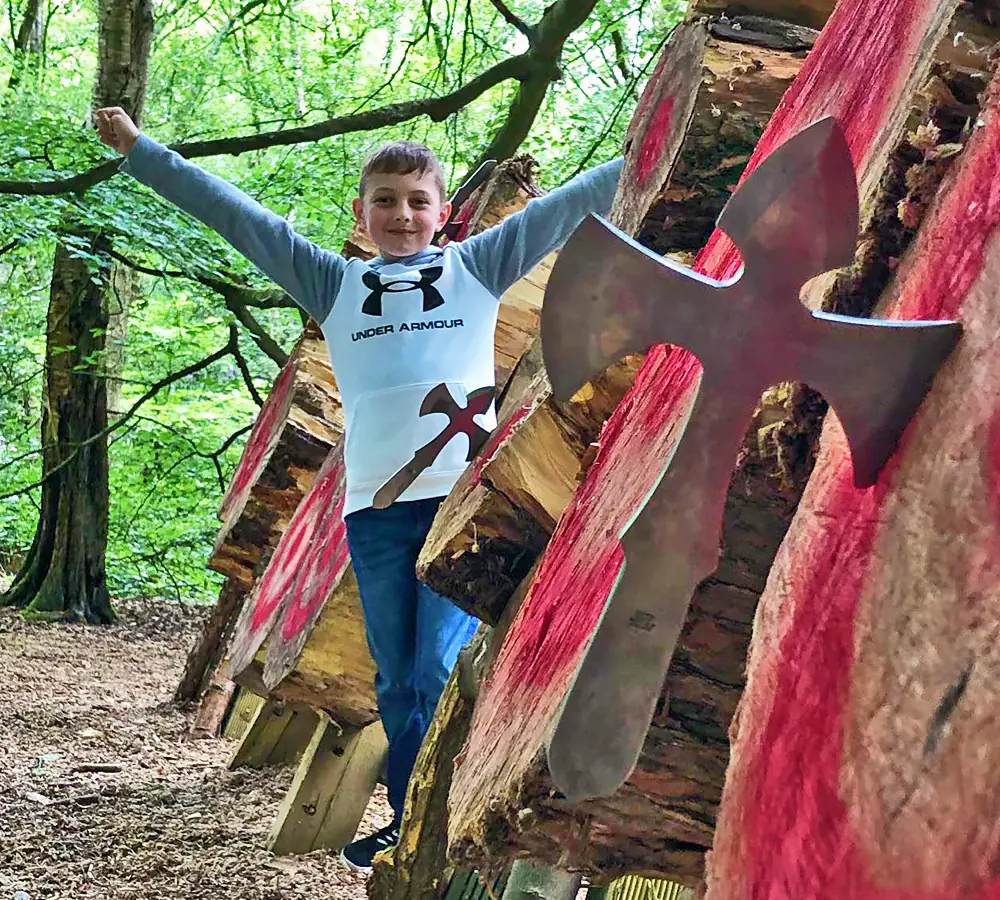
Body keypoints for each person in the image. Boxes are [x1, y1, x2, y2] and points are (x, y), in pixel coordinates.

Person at [95, 106, 623, 871]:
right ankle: (413, 823)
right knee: (395, 685)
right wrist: (143, 152)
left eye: (417, 201)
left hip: (461, 509)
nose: (401, 215)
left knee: (433, 670)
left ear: (442, 213)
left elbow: (579, 198)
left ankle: (449, 827)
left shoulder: (475, 268)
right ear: (361, 213)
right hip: (375, 513)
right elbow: (236, 218)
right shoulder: (335, 284)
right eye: (385, 200)